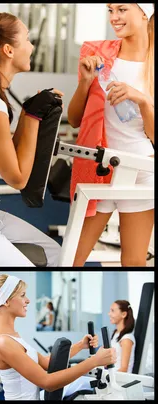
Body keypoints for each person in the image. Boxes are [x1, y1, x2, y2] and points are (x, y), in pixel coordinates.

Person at [0, 12, 63, 266]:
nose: (31, 46)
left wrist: (30, 112)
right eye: (27, 40)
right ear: (8, 49)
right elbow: (17, 179)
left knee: (57, 255)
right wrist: (33, 115)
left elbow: (6, 144)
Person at [68, 4, 154, 266]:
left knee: (134, 262)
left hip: (141, 171)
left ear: (144, 12)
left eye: (122, 9)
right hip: (99, 168)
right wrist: (84, 83)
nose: (114, 17)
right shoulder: (99, 55)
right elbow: (74, 120)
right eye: (110, 10)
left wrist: (143, 101)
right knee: (71, 258)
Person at [0, 274, 117, 400]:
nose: (28, 300)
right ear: (6, 301)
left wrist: (81, 345)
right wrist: (94, 361)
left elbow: (47, 363)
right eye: (23, 295)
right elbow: (47, 382)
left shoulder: (12, 338)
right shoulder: (3, 343)